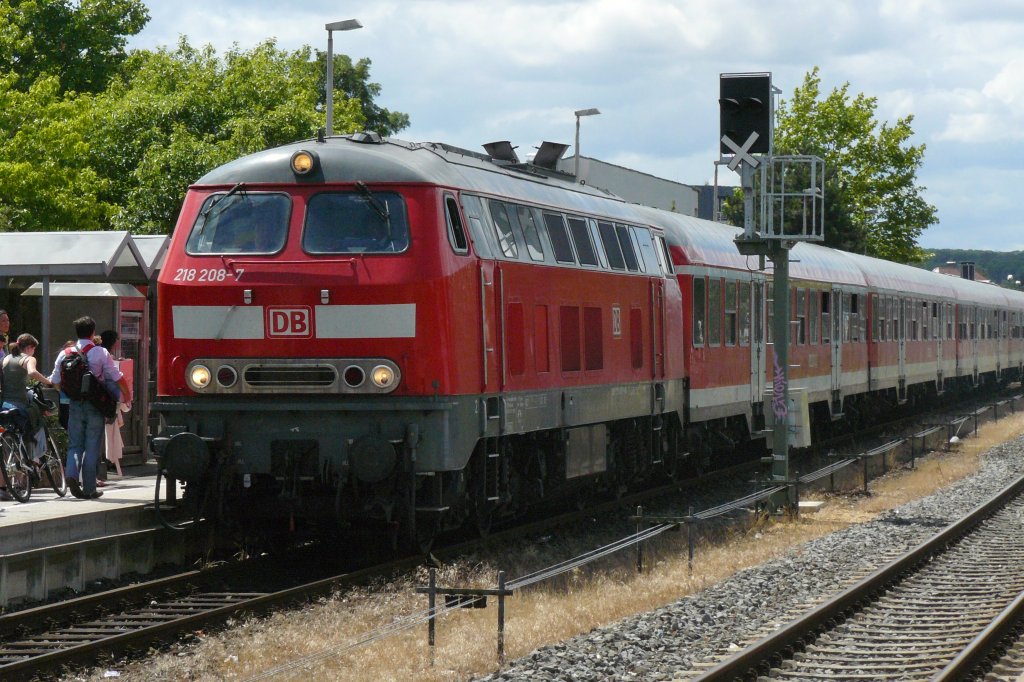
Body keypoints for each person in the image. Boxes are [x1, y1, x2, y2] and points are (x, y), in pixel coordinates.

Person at [50, 316, 131, 500]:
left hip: (74, 405)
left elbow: (55, 381)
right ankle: (89, 488)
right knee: (92, 445)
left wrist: (71, 392)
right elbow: (117, 377)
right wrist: (126, 395)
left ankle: (71, 473)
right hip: (95, 405)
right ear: (93, 332)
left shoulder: (65, 353)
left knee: (75, 444)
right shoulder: (100, 352)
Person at [0, 334, 52, 499]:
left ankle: (3, 487)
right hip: (20, 405)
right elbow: (32, 372)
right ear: (30, 347)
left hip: (4, 405)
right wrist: (48, 382)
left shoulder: (6, 359)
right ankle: (34, 459)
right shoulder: (28, 359)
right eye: (34, 348)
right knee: (38, 422)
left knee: (7, 445)